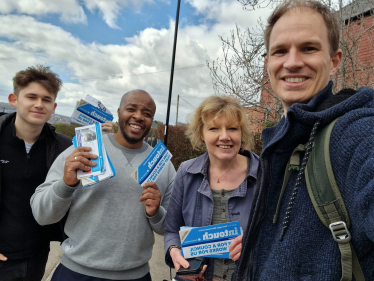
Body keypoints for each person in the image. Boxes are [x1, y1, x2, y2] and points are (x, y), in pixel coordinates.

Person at [232, 1, 374, 280]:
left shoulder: (355, 132)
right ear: (268, 63)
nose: (293, 61)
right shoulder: (282, 142)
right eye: (280, 51)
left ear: (334, 61)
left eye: (309, 48)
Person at [31, 89, 176, 281]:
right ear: (118, 112)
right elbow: (42, 214)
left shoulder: (163, 164)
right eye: (131, 109)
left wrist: (156, 212)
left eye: (147, 114)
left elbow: (170, 228)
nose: (139, 117)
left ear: (152, 121)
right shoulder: (82, 150)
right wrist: (65, 185)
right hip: (75, 273)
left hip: (136, 276)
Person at [164, 96, 259, 281]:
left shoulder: (264, 173)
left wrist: (255, 243)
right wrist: (176, 254)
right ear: (202, 133)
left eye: (232, 128)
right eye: (214, 128)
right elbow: (171, 231)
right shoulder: (186, 173)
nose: (224, 136)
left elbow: (280, 234)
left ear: (241, 133)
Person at [0, 65, 72, 281]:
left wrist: (102, 140)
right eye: (32, 97)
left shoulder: (64, 147)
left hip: (37, 255)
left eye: (46, 99)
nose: (39, 104)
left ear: (54, 106)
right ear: (14, 99)